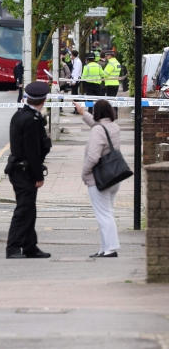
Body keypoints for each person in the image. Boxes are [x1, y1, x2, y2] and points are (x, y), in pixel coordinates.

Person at [5, 81, 52, 259]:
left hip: (19, 168)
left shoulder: (20, 115)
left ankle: (30, 246)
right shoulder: (31, 120)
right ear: (44, 99)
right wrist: (38, 175)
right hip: (24, 170)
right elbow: (32, 150)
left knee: (29, 209)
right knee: (24, 210)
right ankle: (13, 247)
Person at [72, 99, 122, 257]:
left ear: (97, 113)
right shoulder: (113, 127)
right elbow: (98, 127)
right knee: (106, 213)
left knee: (104, 214)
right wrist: (83, 113)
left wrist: (84, 172)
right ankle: (105, 249)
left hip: (98, 178)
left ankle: (111, 248)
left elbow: (93, 157)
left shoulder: (98, 130)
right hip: (114, 176)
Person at [103, 50, 122, 118]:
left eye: (107, 55)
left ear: (110, 56)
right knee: (114, 99)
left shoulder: (110, 64)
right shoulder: (117, 63)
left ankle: (112, 114)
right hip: (116, 83)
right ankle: (115, 113)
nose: (106, 57)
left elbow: (105, 74)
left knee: (111, 100)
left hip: (110, 84)